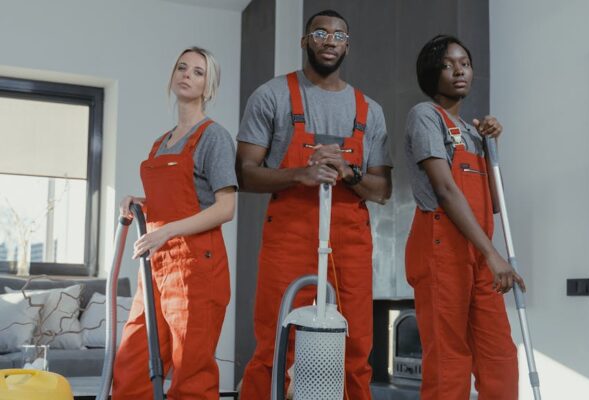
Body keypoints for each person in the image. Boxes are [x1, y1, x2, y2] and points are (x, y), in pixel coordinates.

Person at [236, 9, 392, 400]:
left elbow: (383, 190)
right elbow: (245, 174)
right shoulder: (272, 95)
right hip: (289, 235)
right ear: (305, 41)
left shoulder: (369, 110)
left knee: (354, 348)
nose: (329, 40)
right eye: (320, 33)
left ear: (347, 46)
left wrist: (348, 172)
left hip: (350, 242)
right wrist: (299, 175)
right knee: (275, 343)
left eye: (339, 35)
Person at [404, 34, 525, 400]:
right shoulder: (425, 116)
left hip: (479, 253)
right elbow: (445, 189)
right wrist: (492, 254)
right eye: (447, 64)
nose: (459, 70)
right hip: (441, 250)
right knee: (448, 362)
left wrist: (493, 146)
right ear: (431, 73)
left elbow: (494, 202)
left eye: (465, 64)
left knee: (499, 358)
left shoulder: (474, 132)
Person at [112, 47, 237, 400]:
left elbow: (226, 207)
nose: (187, 75)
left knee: (191, 374)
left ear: (209, 86)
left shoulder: (214, 137)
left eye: (198, 72)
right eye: (182, 68)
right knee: (132, 368)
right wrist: (141, 204)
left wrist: (165, 230)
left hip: (197, 268)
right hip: (157, 266)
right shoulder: (160, 144)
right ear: (172, 77)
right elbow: (175, 201)